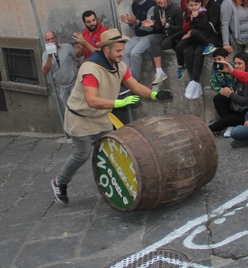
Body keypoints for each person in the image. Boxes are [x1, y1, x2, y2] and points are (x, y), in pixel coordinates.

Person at [50, 29, 173, 204]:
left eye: (123, 50)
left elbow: (136, 86)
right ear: (106, 49)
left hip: (101, 116)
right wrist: (120, 103)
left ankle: (120, 185)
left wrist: (155, 95)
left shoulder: (119, 66)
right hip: (80, 117)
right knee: (82, 154)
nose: (122, 54)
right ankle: (60, 182)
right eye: (118, 50)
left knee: (111, 150)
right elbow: (92, 100)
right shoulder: (90, 69)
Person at [208, 52, 248, 136]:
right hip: (238, 107)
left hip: (245, 113)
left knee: (223, 121)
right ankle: (230, 125)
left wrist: (231, 94)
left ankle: (206, 130)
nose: (236, 66)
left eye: (239, 63)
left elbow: (247, 101)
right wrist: (231, 92)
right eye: (235, 63)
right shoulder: (239, 76)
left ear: (247, 63)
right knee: (218, 98)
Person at [173, 0, 209, 99]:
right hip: (191, 36)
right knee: (182, 48)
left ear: (200, 4)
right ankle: (184, 69)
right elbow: (185, 27)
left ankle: (208, 46)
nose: (193, 7)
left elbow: (200, 27)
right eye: (191, 5)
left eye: (196, 5)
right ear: (188, 5)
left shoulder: (202, 14)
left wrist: (195, 19)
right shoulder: (187, 13)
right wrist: (190, 20)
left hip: (200, 36)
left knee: (197, 51)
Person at [120, 0, 156, 83]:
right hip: (138, 35)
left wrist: (137, 22)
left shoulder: (151, 5)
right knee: (124, 51)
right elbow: (134, 26)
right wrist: (130, 22)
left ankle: (135, 81)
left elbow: (151, 28)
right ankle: (128, 79)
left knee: (134, 53)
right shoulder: (134, 5)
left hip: (149, 35)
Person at [147, 0, 184, 85]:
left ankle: (158, 72)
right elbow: (159, 28)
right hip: (163, 32)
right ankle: (159, 72)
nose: (161, 1)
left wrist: (167, 25)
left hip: (174, 34)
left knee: (161, 45)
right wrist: (153, 24)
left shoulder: (175, 9)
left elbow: (181, 28)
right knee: (153, 42)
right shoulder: (156, 9)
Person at [42, 31, 81, 107]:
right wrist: (50, 57)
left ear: (56, 39)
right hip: (63, 87)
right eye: (48, 40)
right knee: (68, 109)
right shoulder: (45, 55)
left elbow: (79, 59)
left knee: (78, 106)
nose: (50, 41)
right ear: (46, 42)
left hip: (74, 83)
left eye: (52, 38)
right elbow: (45, 71)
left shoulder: (66, 47)